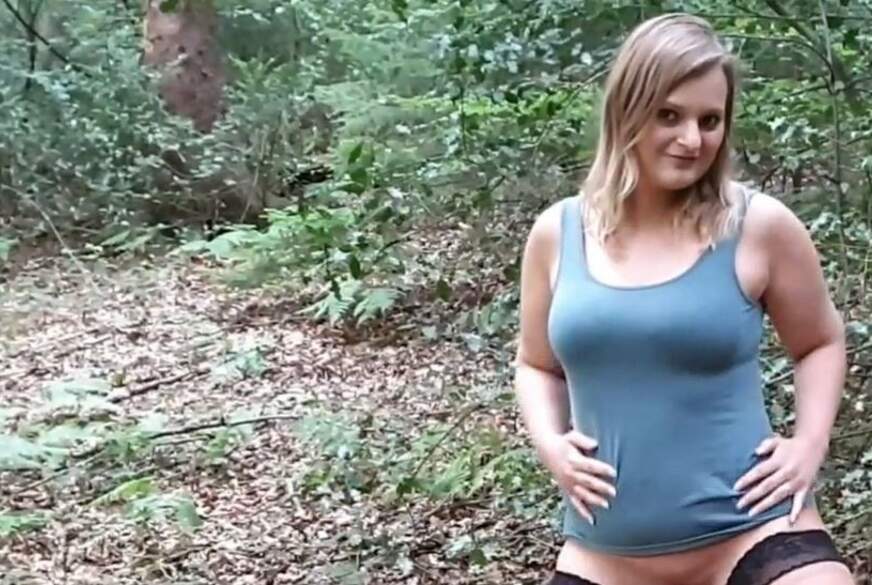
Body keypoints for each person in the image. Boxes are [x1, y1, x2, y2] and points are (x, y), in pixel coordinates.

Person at [514, 13, 855, 585]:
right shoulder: (558, 233)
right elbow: (535, 364)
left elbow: (820, 340)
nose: (692, 140)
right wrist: (551, 444)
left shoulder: (759, 226)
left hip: (754, 535)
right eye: (669, 115)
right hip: (606, 555)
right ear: (627, 110)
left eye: (710, 120)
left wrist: (808, 443)